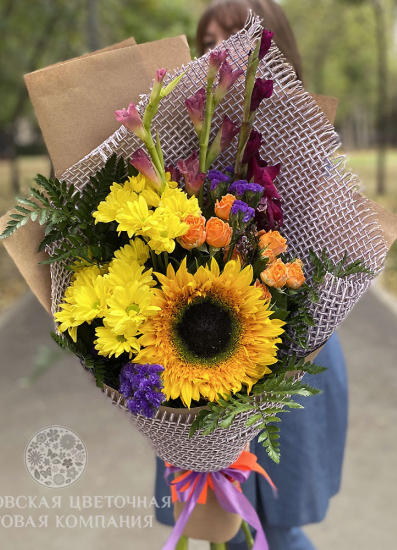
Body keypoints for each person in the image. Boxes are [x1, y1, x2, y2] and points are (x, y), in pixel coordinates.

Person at [154, 1, 349, 548]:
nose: (218, 49)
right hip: (199, 360)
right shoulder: (184, 144)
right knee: (222, 526)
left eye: (234, 34)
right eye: (207, 40)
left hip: (293, 355)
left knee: (276, 531)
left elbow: (326, 260)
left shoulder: (306, 145)